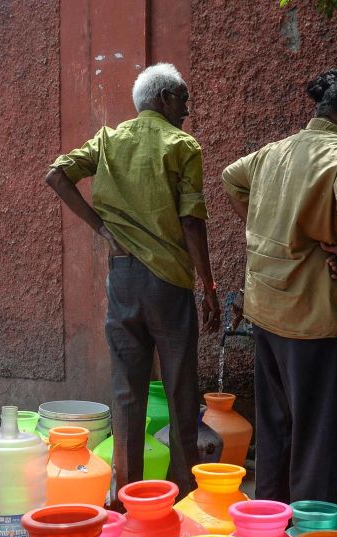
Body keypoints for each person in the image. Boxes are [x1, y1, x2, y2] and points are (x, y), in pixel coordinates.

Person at [46, 63, 219, 494]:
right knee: (181, 389)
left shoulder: (108, 140)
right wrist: (209, 286)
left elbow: (57, 175)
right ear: (162, 99)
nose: (187, 109)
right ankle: (182, 493)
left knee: (126, 393)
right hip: (169, 282)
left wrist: (102, 229)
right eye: (182, 99)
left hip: (122, 279)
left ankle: (127, 496)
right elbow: (192, 221)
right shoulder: (182, 145)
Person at [221, 68, 337, 504]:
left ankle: (269, 533)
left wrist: (266, 228)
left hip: (268, 314)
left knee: (277, 435)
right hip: (320, 323)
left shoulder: (275, 153)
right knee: (319, 443)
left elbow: (231, 178)